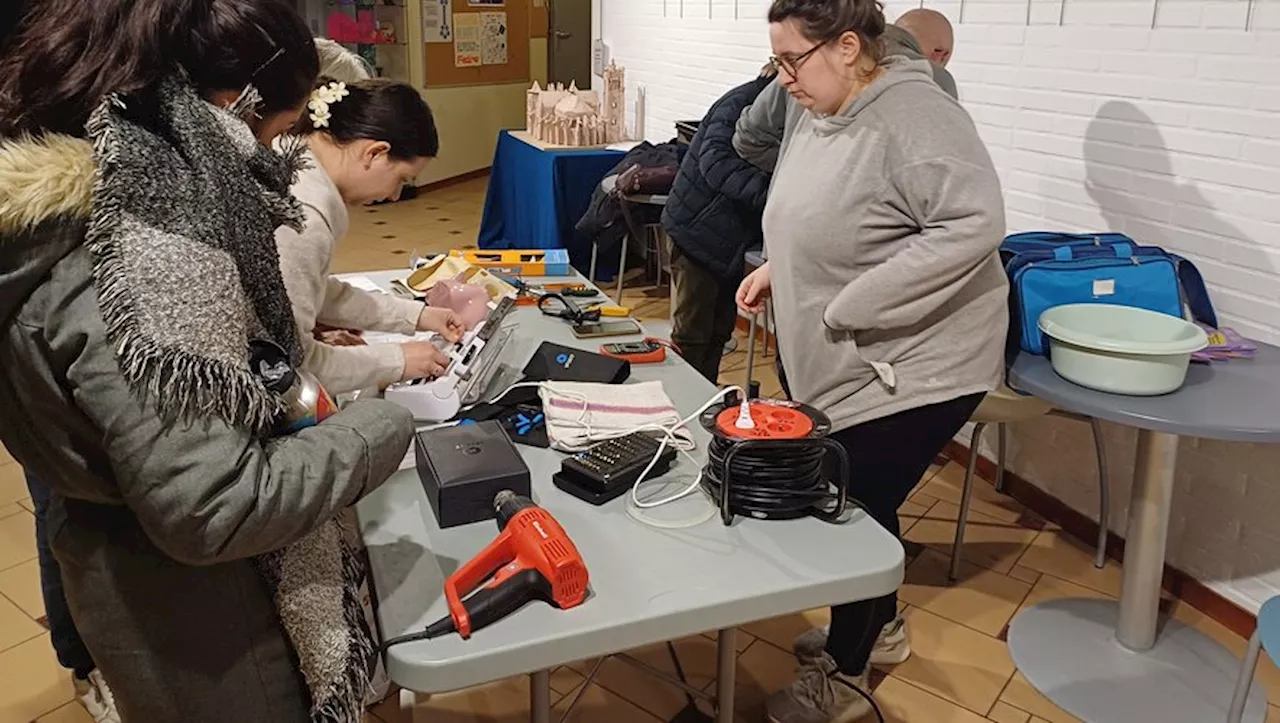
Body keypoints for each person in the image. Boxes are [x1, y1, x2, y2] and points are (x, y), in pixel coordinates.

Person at [0, 2, 414, 722]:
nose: (274, 165)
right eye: (281, 133)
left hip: (134, 568)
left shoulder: (99, 207)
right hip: (193, 615)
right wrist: (378, 426)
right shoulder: (145, 257)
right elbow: (214, 506)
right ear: (226, 104)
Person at [733, 1, 1008, 720]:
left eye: (791, 60)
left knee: (852, 506)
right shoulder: (825, 106)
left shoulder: (916, 115)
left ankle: (848, 675)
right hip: (854, 353)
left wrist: (854, 301)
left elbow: (973, 221)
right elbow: (833, 212)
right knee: (858, 501)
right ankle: (878, 627)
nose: (781, 77)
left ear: (848, 46)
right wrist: (781, 269)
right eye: (777, 60)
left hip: (921, 364)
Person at [275, 76, 463, 395]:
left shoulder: (289, 159)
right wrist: (396, 360)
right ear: (375, 153)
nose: (394, 196)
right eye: (402, 179)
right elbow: (293, 365)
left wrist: (417, 315)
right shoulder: (304, 218)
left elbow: (316, 289)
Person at [659, 63, 777, 383]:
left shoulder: (763, 105)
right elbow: (717, 164)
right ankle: (686, 407)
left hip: (726, 239)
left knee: (719, 330)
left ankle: (705, 399)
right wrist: (777, 196)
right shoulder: (741, 105)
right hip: (697, 232)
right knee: (693, 335)